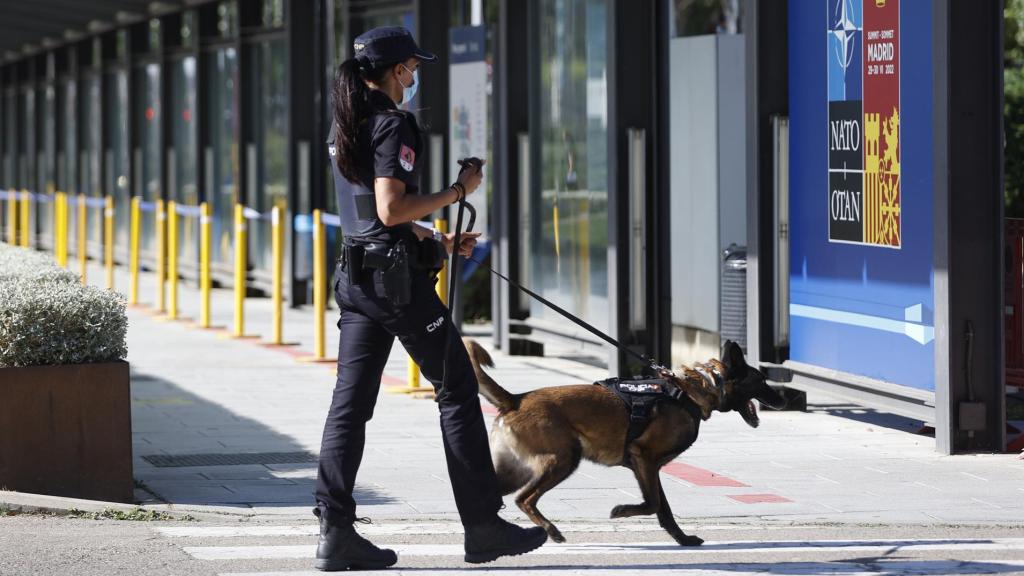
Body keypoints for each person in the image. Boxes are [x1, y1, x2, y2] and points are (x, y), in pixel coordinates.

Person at [314, 26, 548, 571]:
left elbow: (369, 215)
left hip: (357, 277)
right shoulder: (395, 123)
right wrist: (460, 190)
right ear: (397, 70)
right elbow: (392, 209)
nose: (415, 77)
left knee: (350, 406)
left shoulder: (346, 121)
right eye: (413, 68)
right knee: (458, 389)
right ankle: (483, 527)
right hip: (398, 287)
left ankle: (335, 530)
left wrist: (437, 238)